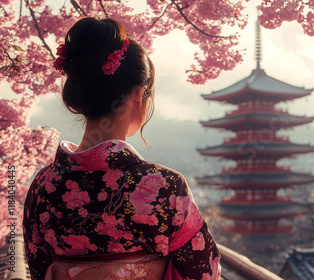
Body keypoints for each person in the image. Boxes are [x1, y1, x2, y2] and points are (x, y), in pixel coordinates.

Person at [22, 17, 221, 280]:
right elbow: (204, 274)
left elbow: (38, 272)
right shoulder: (164, 187)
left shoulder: (44, 187)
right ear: (138, 95)